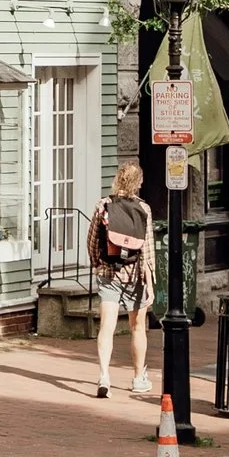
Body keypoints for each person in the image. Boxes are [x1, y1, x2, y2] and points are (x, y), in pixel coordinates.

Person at [87, 160, 156, 400]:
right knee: (137, 327)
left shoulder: (103, 205)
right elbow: (147, 251)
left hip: (109, 274)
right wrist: (150, 281)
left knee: (107, 326)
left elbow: (93, 241)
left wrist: (98, 264)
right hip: (135, 276)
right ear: (138, 183)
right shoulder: (143, 210)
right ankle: (138, 379)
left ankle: (104, 375)